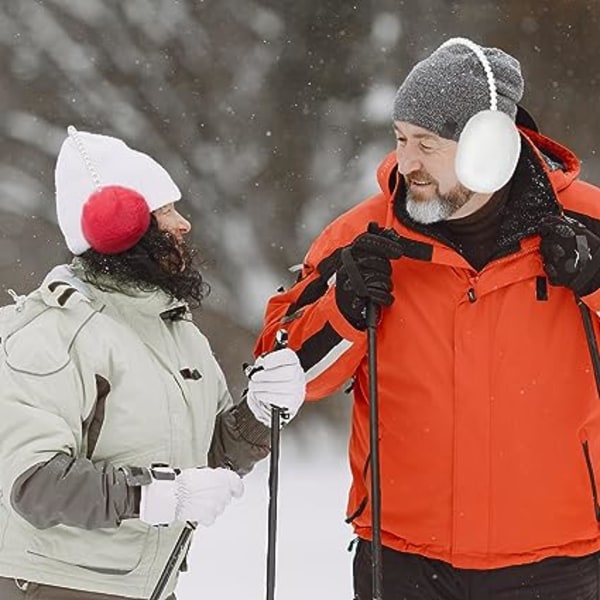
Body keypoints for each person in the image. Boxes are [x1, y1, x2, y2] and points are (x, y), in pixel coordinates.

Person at [255, 37, 600, 599]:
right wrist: (341, 310)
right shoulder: (363, 238)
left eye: (427, 144)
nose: (405, 162)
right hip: (403, 560)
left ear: (489, 146)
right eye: (400, 139)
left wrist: (597, 285)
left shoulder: (588, 223)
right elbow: (279, 379)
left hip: (556, 561)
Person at [0, 126, 306, 600]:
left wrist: (260, 414)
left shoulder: (178, 332)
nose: (183, 224)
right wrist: (155, 495)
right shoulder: (52, 332)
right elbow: (34, 484)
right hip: (54, 585)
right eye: (165, 211)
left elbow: (202, 459)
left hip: (150, 586)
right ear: (118, 225)